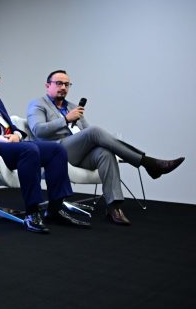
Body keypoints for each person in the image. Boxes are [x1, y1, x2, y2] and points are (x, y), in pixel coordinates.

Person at [0, 59, 89, 233]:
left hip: (8, 145)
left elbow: (10, 125)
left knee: (56, 150)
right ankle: (32, 212)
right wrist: (2, 138)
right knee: (29, 149)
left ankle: (55, 209)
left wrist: (17, 134)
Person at [26, 70, 185, 225]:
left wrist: (78, 123)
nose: (63, 87)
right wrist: (66, 119)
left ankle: (114, 207)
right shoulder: (38, 104)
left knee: (105, 153)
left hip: (78, 153)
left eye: (67, 84)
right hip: (56, 152)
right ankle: (148, 163)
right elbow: (38, 130)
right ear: (48, 85)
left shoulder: (73, 107)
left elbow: (88, 133)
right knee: (95, 131)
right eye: (59, 83)